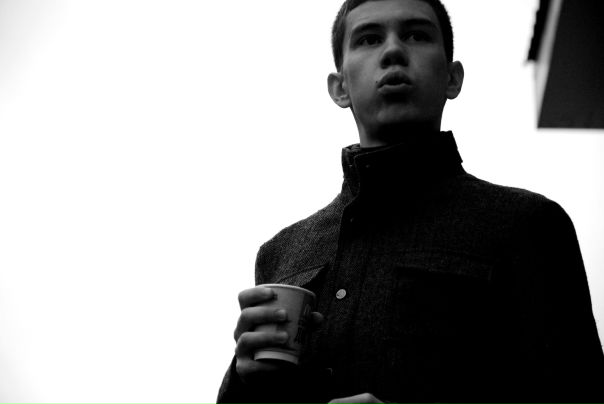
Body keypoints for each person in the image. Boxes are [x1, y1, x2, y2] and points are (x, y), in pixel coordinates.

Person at [217, 0, 604, 403]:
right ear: (340, 87)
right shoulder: (281, 254)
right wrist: (244, 380)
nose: (393, 51)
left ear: (452, 78)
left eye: (417, 35)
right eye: (369, 39)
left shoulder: (529, 226)